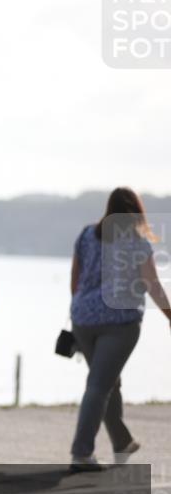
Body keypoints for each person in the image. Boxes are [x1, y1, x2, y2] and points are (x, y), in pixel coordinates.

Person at [68, 188, 171, 472]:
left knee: (107, 381)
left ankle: (121, 442)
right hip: (120, 322)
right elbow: (152, 284)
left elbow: (75, 277)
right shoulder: (138, 243)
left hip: (83, 319)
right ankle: (81, 453)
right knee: (99, 386)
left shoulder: (88, 234)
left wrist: (78, 308)